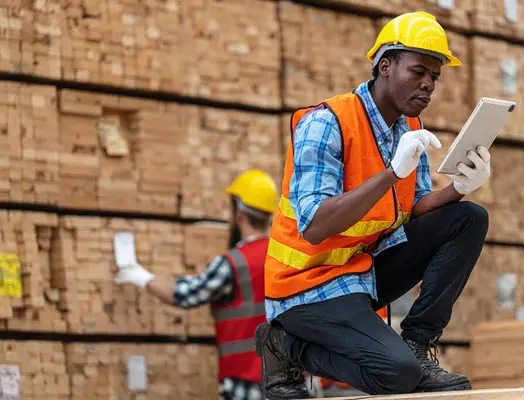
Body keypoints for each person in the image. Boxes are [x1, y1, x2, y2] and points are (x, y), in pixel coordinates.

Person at [254, 11, 491, 399]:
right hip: (306, 284)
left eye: (435, 76)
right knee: (398, 376)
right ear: (385, 66)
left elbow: (412, 209)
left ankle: (418, 342)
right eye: (419, 72)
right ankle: (283, 344)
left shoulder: (410, 129)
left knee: (468, 218)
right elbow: (314, 225)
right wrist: (390, 173)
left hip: (360, 267)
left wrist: (458, 190)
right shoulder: (326, 122)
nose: (429, 84)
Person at [114, 169, 278, 400]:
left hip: (246, 382)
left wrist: (138, 274)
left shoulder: (233, 263)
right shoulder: (286, 259)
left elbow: (183, 294)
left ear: (239, 213)